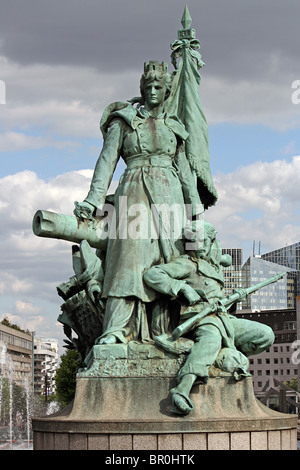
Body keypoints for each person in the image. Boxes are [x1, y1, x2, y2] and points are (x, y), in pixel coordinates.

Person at [74, 61, 202, 344]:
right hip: (134, 192)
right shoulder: (124, 120)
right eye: (148, 87)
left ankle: (164, 332)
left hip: (171, 199)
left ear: (167, 91)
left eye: (159, 87)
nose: (153, 92)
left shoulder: (174, 126)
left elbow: (186, 174)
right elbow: (106, 162)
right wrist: (93, 200)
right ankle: (117, 330)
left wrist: (196, 214)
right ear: (141, 89)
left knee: (168, 261)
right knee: (127, 262)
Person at [144, 221, 275, 414]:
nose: (204, 245)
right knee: (211, 340)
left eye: (207, 240)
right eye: (200, 241)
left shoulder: (213, 268)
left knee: (266, 334)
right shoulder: (186, 263)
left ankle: (231, 358)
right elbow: (152, 274)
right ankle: (183, 388)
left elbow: (218, 299)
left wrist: (234, 298)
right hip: (201, 318)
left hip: (224, 320)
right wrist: (182, 288)